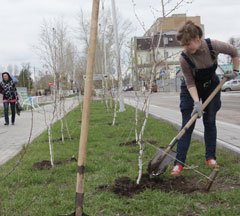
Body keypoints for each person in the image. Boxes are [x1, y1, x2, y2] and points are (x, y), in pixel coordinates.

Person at [171, 21, 239, 176]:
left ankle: (210, 158)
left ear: (198, 38)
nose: (186, 47)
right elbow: (189, 82)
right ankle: (179, 163)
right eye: (183, 44)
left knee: (210, 121)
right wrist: (196, 102)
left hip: (212, 86)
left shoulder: (212, 45)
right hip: (190, 89)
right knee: (188, 123)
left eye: (188, 43)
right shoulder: (184, 59)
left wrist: (235, 70)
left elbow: (234, 52)